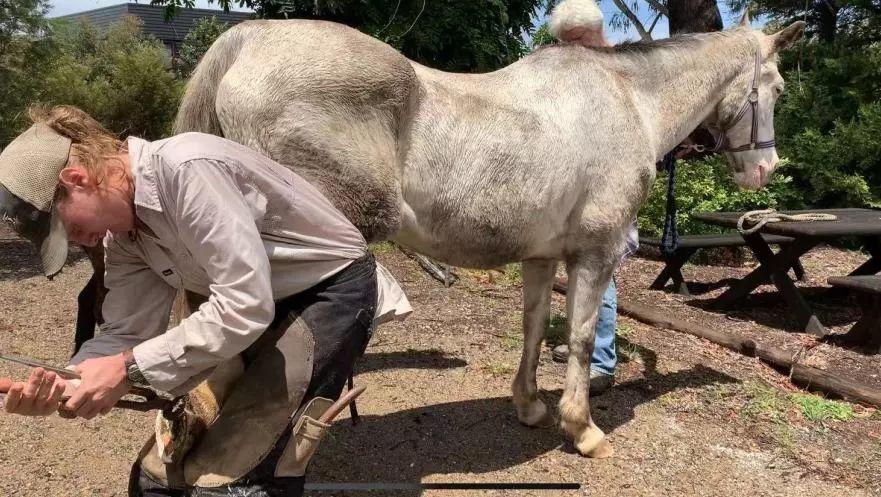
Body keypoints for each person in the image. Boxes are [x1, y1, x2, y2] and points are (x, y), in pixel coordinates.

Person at [0, 105, 410, 496]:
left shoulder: (187, 170)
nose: (73, 241)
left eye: (66, 226)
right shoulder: (123, 237)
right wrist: (67, 382)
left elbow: (244, 304)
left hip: (327, 289)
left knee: (235, 482)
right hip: (243, 305)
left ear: (77, 179)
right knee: (157, 479)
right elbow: (126, 332)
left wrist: (127, 369)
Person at [552, 220, 639, 395]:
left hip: (606, 211)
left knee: (599, 274)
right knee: (579, 275)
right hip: (582, 210)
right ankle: (579, 347)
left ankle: (602, 364)